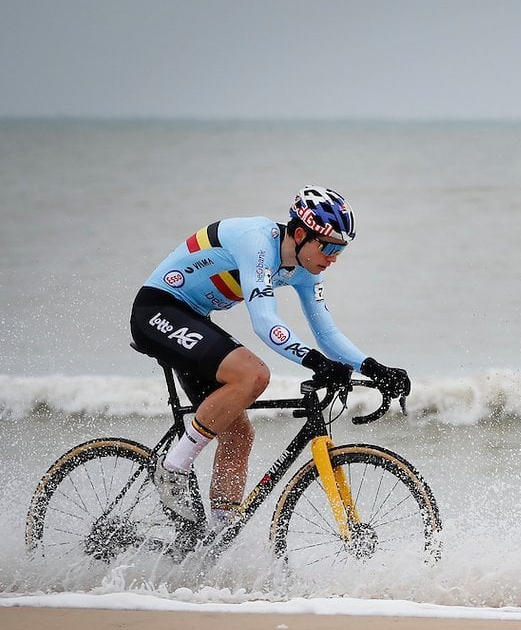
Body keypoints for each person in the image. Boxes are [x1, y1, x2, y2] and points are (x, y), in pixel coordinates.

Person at [130, 186, 411, 530]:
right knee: (253, 375)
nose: (334, 256)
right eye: (329, 245)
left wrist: (373, 368)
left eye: (342, 249)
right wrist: (315, 362)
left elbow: (327, 334)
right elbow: (264, 322)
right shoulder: (257, 241)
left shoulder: (307, 270)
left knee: (238, 437)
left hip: (194, 317)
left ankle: (214, 540)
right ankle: (172, 469)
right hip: (158, 309)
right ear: (300, 234)